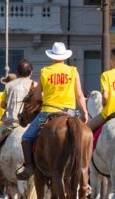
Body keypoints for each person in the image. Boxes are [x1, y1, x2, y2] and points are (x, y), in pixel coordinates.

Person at [17, 42, 88, 180]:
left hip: (47, 112)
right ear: (64, 56)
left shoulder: (45, 71)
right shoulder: (73, 71)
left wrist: (42, 97)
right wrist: (84, 112)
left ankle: (30, 166)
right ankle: (85, 172)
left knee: (26, 137)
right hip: (69, 112)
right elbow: (79, 95)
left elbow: (37, 96)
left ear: (52, 56)